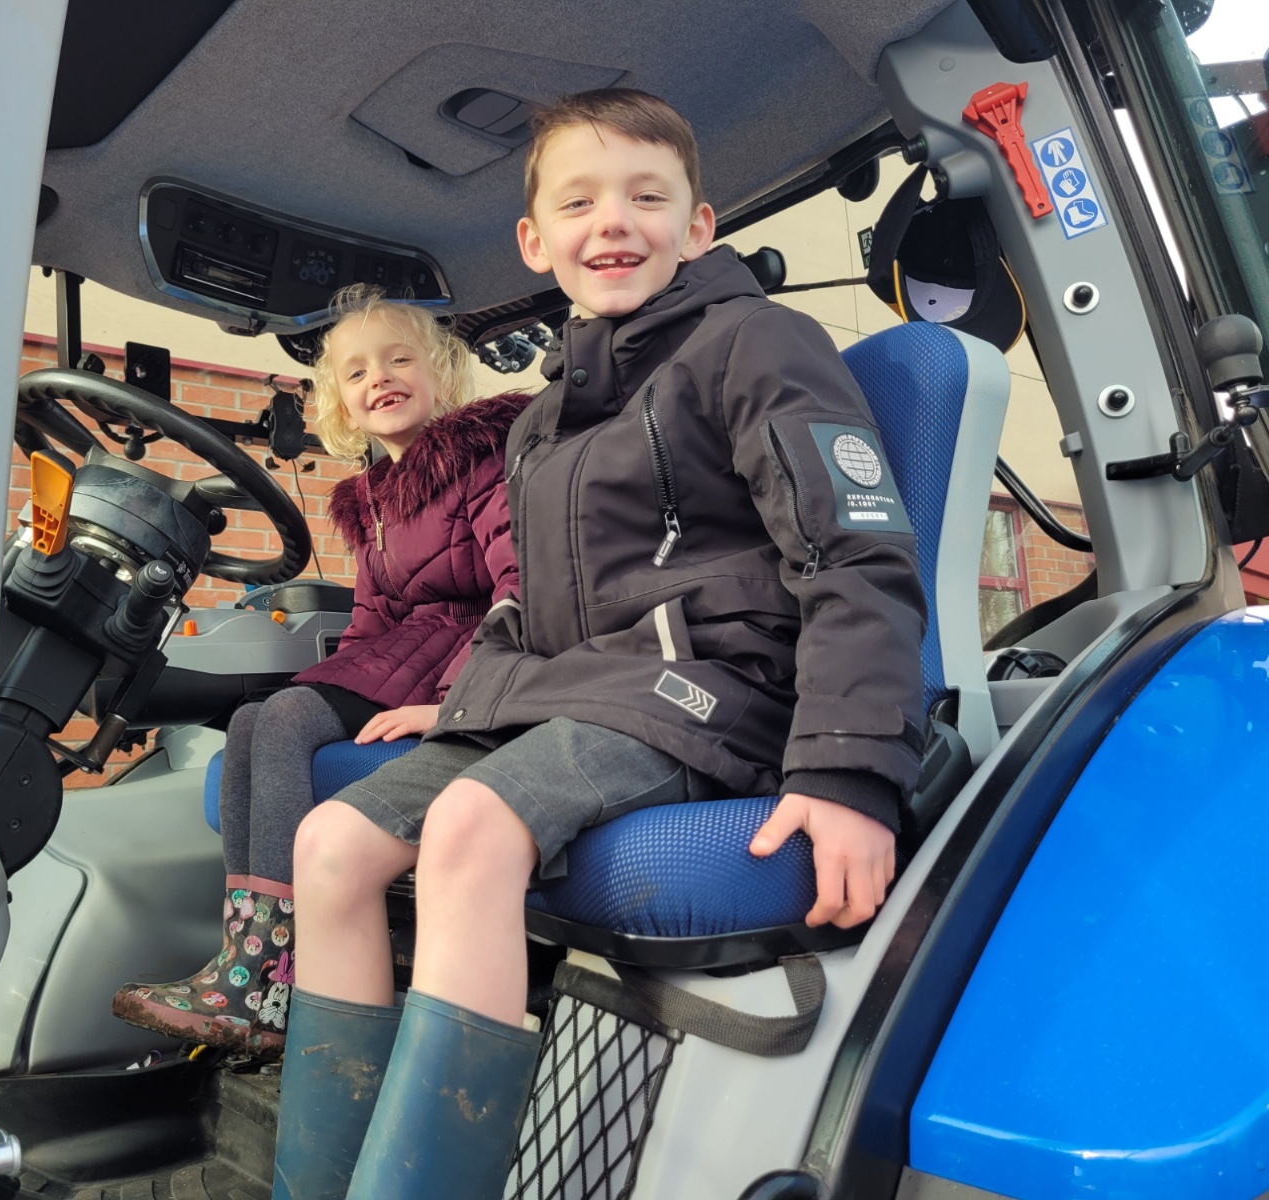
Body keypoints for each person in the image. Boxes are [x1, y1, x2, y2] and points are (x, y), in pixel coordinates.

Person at [270, 89, 927, 1199]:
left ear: (698, 226)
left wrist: (851, 773)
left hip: (711, 689)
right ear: (536, 242)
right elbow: (527, 610)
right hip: (581, 697)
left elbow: (854, 555)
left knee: (468, 829)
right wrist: (467, 701)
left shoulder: (756, 343)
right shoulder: (541, 422)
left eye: (645, 197)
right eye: (577, 202)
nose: (612, 221)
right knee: (330, 843)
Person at [111, 285, 526, 1054]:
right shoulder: (369, 500)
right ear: (341, 402)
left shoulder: (483, 461)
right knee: (252, 718)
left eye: (399, 360)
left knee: (286, 719)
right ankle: (247, 961)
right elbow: (370, 620)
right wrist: (334, 681)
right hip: (399, 657)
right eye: (357, 372)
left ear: (441, 373)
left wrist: (458, 704)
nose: (380, 379)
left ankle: (266, 976)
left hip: (462, 658)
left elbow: (518, 586)